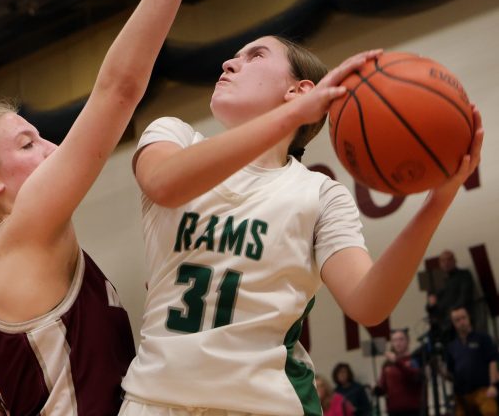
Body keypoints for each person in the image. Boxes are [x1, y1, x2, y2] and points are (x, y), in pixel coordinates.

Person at [119, 32, 484, 416]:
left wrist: (438, 200)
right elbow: (164, 183)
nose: (228, 64)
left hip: (264, 405)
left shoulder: (319, 194)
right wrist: (293, 116)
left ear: (299, 90)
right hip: (154, 401)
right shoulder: (174, 136)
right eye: (233, 57)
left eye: (255, 56)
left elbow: (369, 303)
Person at [0, 0, 188, 414]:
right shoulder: (22, 240)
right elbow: (119, 90)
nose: (52, 148)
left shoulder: (18, 253)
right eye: (28, 143)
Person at [444, 306, 498, 416]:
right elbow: (450, 371)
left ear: (469, 318)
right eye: (457, 320)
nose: (461, 322)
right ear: (453, 324)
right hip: (461, 395)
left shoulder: (483, 338)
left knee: (490, 412)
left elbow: (492, 361)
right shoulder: (452, 346)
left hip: (482, 390)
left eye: (463, 318)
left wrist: (494, 385)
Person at [427, 250, 476, 344]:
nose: (446, 263)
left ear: (454, 260)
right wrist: (431, 305)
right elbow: (430, 306)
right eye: (443, 261)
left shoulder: (464, 274)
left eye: (449, 260)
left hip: (460, 321)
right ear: (439, 263)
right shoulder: (436, 280)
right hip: (442, 325)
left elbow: (465, 298)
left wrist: (450, 315)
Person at [374, 328, 424, 416]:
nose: (398, 343)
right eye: (395, 340)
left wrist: (397, 362)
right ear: (392, 343)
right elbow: (383, 387)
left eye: (401, 339)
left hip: (413, 410)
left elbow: (415, 377)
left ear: (408, 341)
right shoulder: (387, 364)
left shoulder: (414, 359)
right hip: (393, 411)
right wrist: (377, 390)